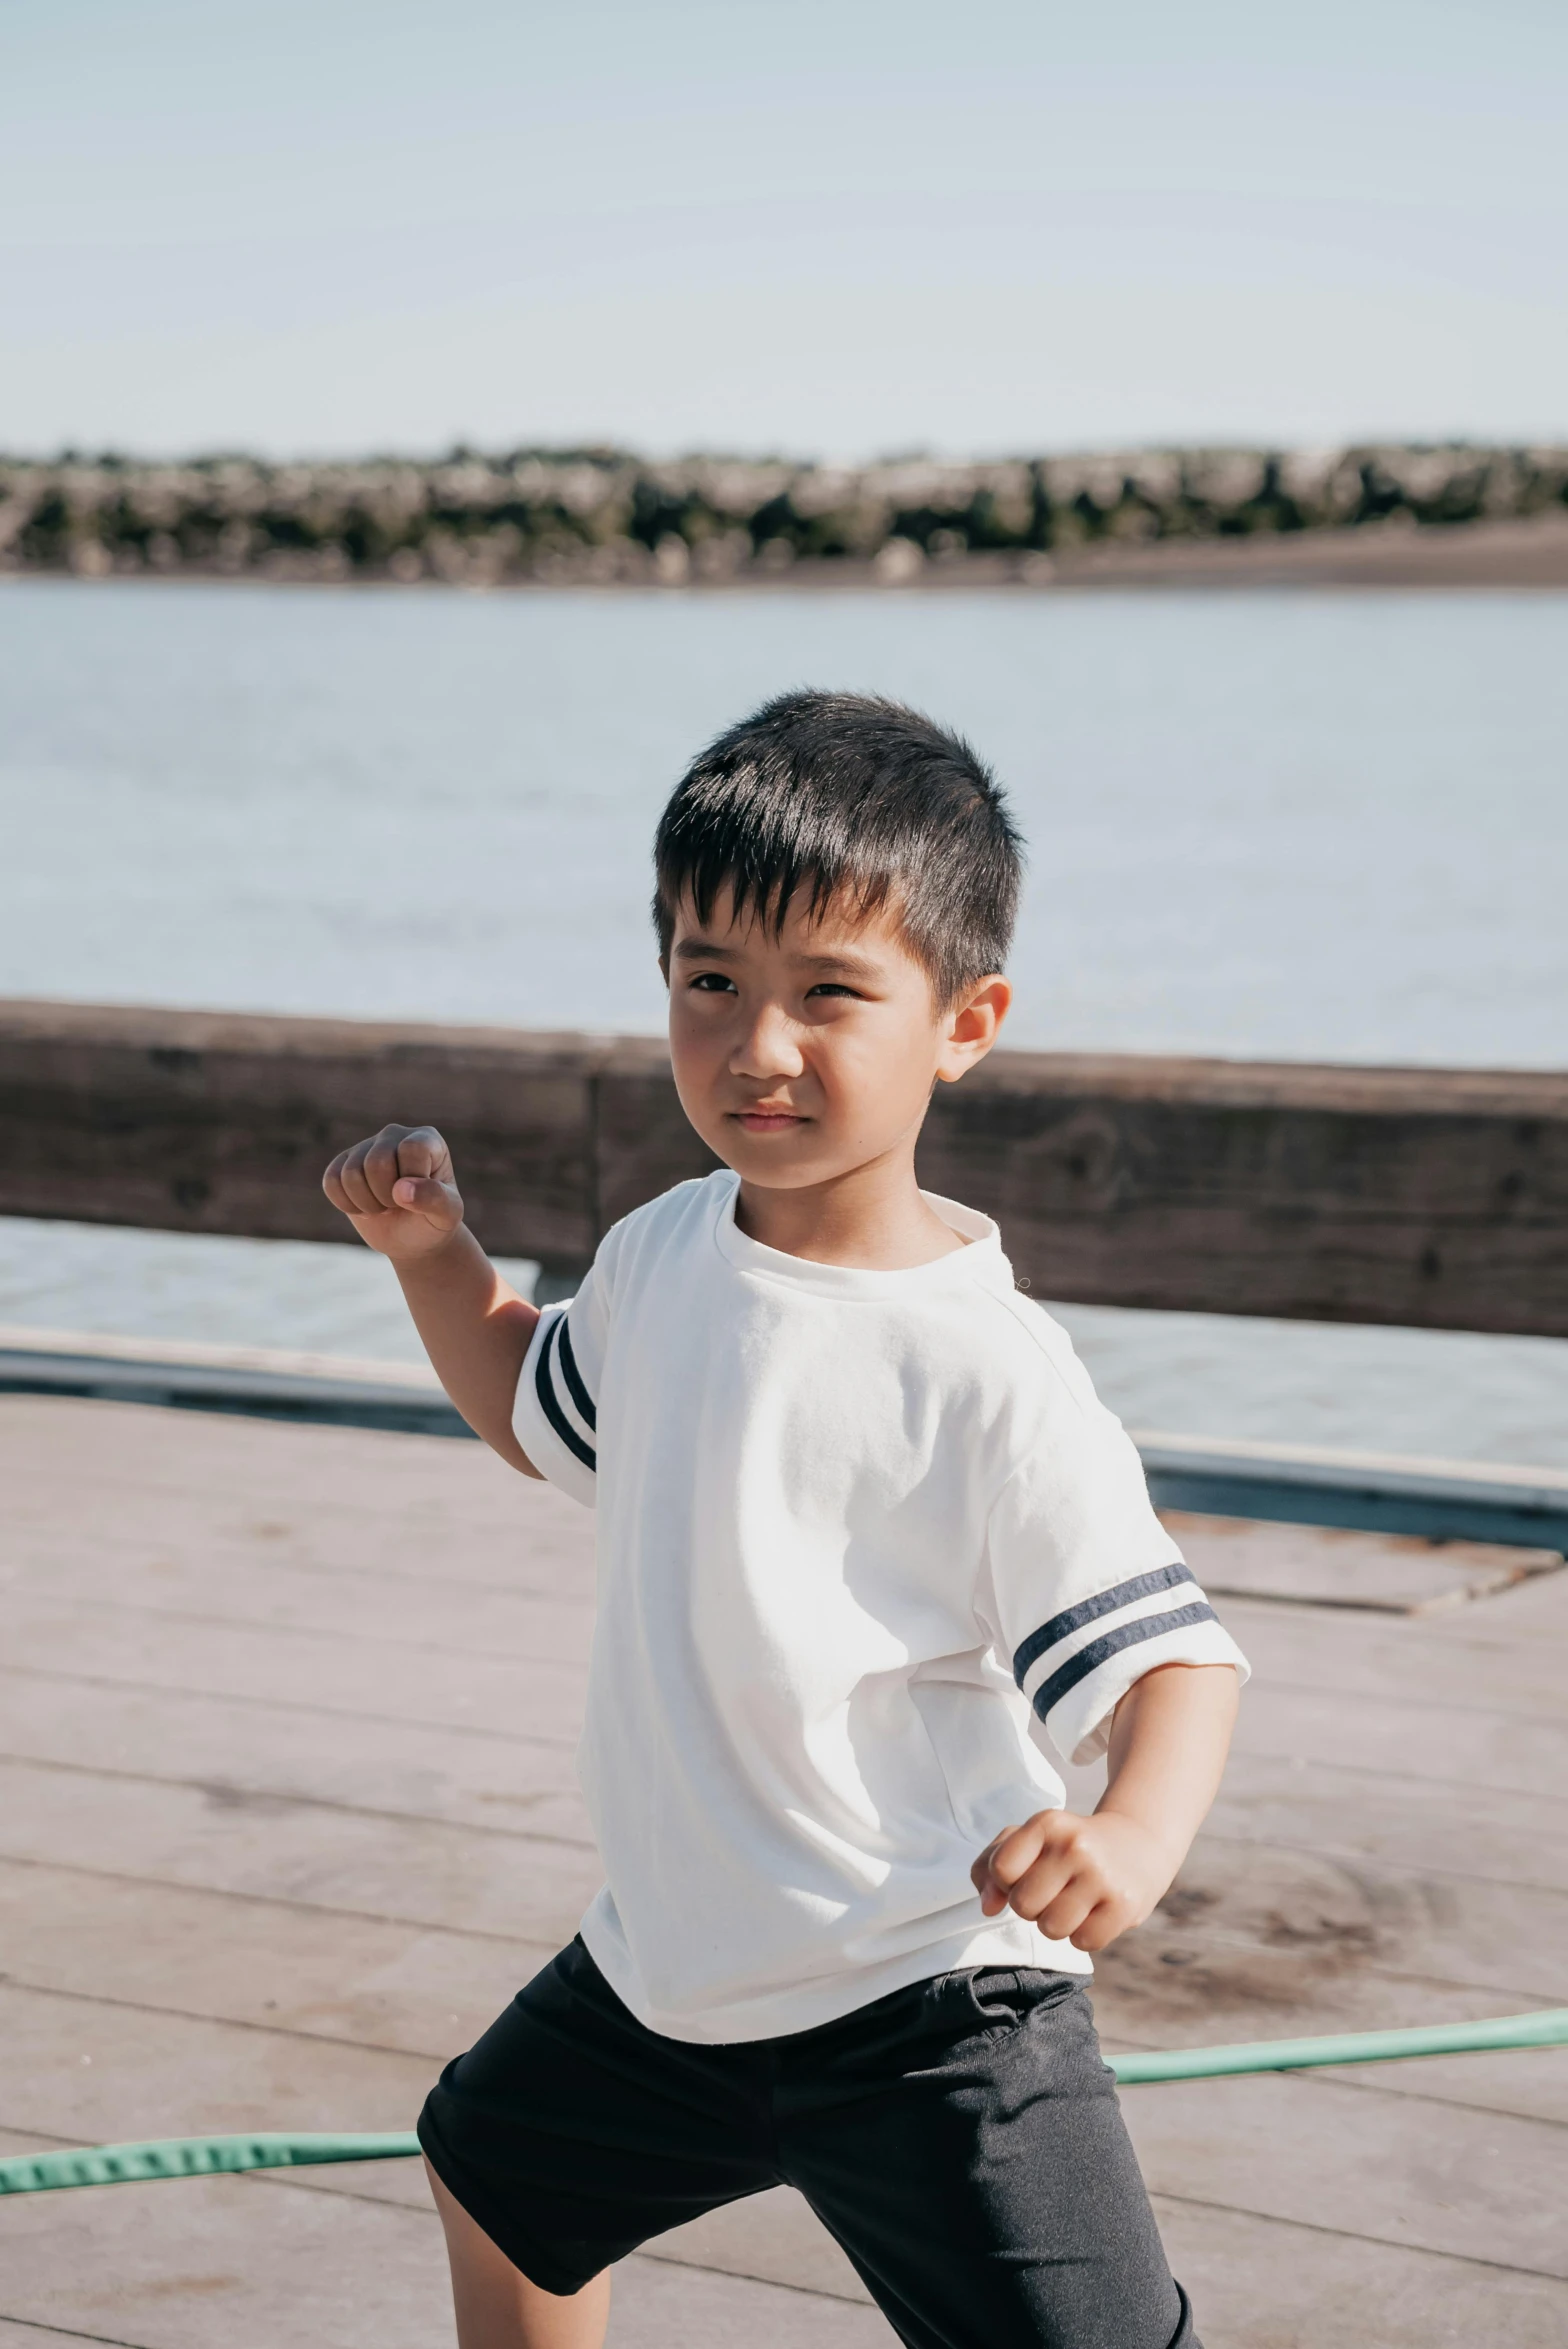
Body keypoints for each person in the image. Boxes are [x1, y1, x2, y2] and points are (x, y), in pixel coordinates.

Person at [323, 690, 1248, 2349]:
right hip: (674, 1971)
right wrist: (437, 1265)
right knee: (492, 2170)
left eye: (831, 994)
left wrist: (1129, 1836)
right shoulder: (667, 1249)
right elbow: (541, 1413)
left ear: (966, 1021)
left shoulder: (986, 1368)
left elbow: (1176, 1662)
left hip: (929, 2002)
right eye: (711, 983)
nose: (759, 1047)